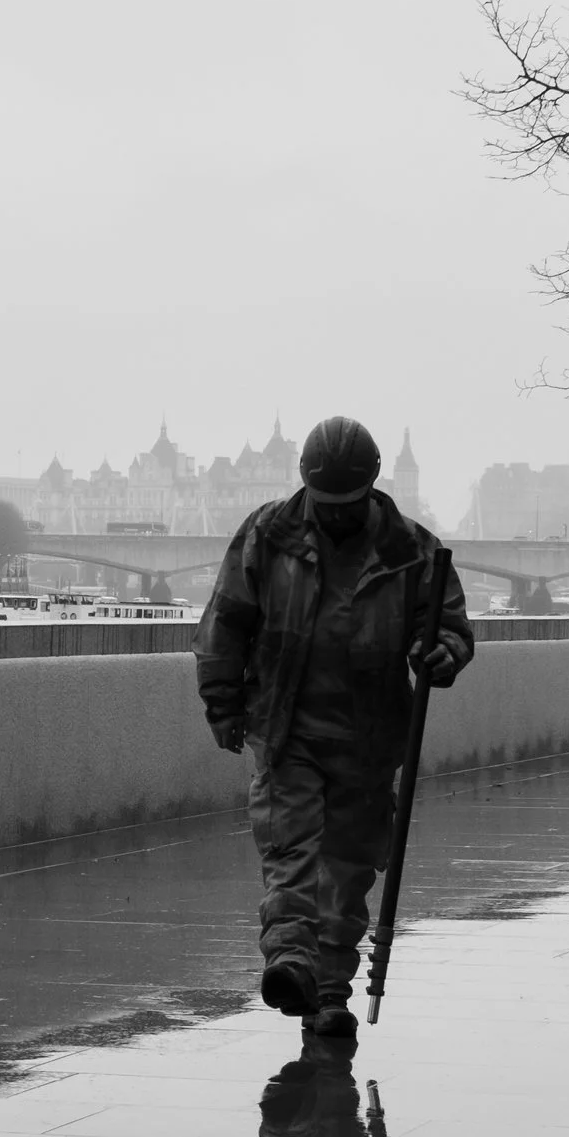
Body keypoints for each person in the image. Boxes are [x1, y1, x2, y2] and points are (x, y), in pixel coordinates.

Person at [196, 415, 472, 1045]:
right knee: (292, 852)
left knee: (347, 867)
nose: (336, 517)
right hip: (284, 727)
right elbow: (226, 624)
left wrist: (443, 653)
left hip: (369, 740)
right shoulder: (268, 535)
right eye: (326, 506)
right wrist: (223, 704)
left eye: (346, 507)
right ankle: (290, 959)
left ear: (372, 488)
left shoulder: (414, 552)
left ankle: (327, 992)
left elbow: (449, 626)